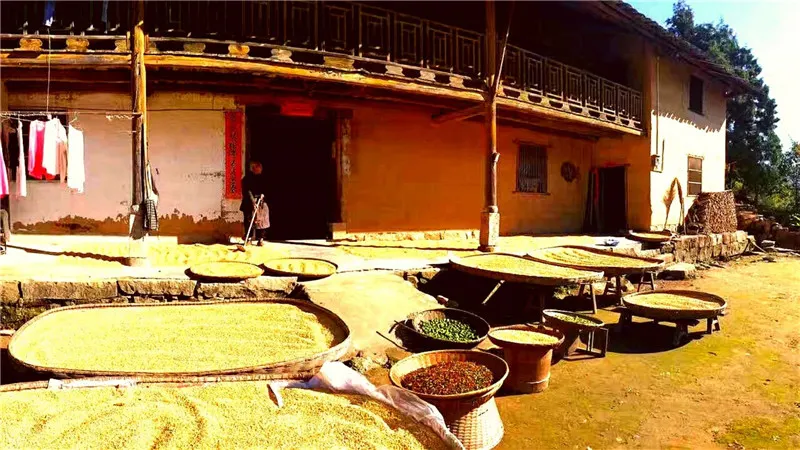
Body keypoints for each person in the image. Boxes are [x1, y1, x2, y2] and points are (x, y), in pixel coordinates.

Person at [240, 161, 270, 246]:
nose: (260, 170)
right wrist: (253, 202)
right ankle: (248, 238)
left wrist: (263, 195)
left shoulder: (264, 178)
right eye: (258, 168)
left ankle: (260, 239)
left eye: (261, 168)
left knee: (262, 222)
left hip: (261, 202)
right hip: (249, 202)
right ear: (254, 169)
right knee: (249, 221)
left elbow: (267, 189)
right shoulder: (247, 179)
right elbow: (247, 191)